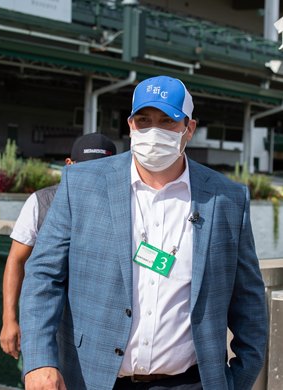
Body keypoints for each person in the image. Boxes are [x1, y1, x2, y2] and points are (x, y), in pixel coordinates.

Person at [20, 75, 268, 390]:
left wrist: (237, 381)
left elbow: (248, 303)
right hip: (92, 378)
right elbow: (43, 276)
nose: (154, 131)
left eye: (168, 121)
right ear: (131, 125)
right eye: (144, 120)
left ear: (188, 129)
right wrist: (40, 360)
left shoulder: (227, 198)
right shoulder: (81, 184)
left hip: (189, 382)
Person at [0, 133, 117, 359]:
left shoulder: (125, 207)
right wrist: (9, 319)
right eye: (85, 169)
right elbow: (16, 259)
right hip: (45, 324)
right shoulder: (41, 201)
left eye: (101, 170)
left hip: (98, 329)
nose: (92, 177)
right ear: (69, 165)